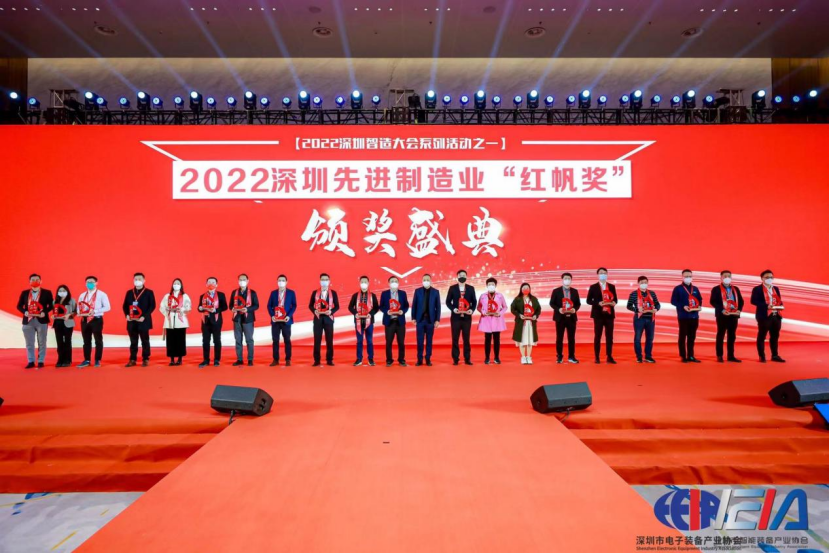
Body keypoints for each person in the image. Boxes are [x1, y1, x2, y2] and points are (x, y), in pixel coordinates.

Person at [18, 273, 53, 369]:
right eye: (32, 280)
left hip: (41, 320)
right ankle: (31, 361)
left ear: (41, 281)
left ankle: (41, 361)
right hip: (28, 320)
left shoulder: (47, 292)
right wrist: (24, 312)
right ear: (29, 282)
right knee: (29, 342)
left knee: (42, 341)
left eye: (37, 280)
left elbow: (51, 305)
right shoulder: (25, 293)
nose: (35, 281)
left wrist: (45, 312)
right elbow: (19, 306)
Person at [122, 272, 156, 367]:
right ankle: (132, 359)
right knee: (133, 341)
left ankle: (145, 359)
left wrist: (144, 316)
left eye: (140, 279)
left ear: (144, 280)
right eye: (136, 279)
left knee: (145, 341)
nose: (137, 281)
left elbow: (152, 306)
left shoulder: (149, 292)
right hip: (131, 321)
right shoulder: (129, 292)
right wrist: (126, 315)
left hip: (143, 320)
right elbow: (125, 306)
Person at [751, 270, 786, 363]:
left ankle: (775, 355)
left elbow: (779, 300)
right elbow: (753, 301)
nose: (769, 279)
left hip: (776, 315)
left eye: (771, 277)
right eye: (767, 277)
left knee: (775, 336)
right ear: (762, 278)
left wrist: (781, 306)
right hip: (764, 316)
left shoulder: (776, 288)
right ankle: (762, 356)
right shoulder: (757, 289)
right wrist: (766, 306)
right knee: (762, 336)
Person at [710, 270, 744, 363]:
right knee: (721, 335)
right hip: (722, 315)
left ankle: (731, 355)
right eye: (725, 276)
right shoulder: (716, 289)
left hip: (733, 315)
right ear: (721, 277)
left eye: (729, 276)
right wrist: (722, 310)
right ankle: (719, 355)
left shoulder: (735, 289)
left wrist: (739, 310)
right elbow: (713, 301)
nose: (727, 278)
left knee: (732, 336)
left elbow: (741, 301)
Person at [669, 269, 704, 363]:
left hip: (694, 316)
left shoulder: (695, 288)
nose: (688, 278)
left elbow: (700, 299)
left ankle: (691, 356)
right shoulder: (678, 288)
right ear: (682, 277)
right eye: (686, 276)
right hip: (683, 316)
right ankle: (683, 356)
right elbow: (673, 301)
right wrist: (683, 306)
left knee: (692, 337)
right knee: (682, 336)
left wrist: (699, 306)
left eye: (690, 276)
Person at [76, 276, 111, 368]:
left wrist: (95, 311)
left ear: (96, 283)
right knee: (86, 341)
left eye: (92, 282)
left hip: (96, 319)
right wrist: (79, 313)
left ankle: (97, 359)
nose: (90, 284)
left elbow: (107, 307)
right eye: (88, 282)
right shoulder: (82, 295)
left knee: (98, 340)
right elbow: (79, 306)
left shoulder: (102, 294)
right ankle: (87, 360)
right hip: (84, 319)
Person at [586, 268, 618, 364]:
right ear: (598, 275)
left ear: (607, 274)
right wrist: (598, 303)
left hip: (609, 314)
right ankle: (597, 357)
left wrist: (613, 303)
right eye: (601, 273)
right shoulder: (593, 287)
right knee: (598, 336)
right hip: (598, 315)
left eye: (604, 273)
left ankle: (609, 356)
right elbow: (588, 300)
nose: (603, 274)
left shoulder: (611, 286)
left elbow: (615, 299)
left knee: (609, 336)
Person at [445, 270, 477, 365]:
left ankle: (467, 358)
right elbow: (448, 301)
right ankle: (455, 359)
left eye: (464, 275)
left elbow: (474, 302)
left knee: (466, 338)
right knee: (455, 338)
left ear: (466, 277)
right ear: (457, 276)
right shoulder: (452, 288)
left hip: (467, 318)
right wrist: (453, 309)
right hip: (456, 317)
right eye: (460, 275)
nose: (462, 276)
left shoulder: (470, 288)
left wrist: (471, 310)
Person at [626, 276, 661, 363]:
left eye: (645, 282)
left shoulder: (652, 293)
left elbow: (657, 304)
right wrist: (637, 310)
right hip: (639, 319)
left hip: (650, 318)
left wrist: (656, 309)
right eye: (642, 283)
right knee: (637, 338)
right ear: (638, 283)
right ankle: (639, 357)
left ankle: (648, 356)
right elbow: (628, 306)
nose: (644, 284)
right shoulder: (633, 294)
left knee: (650, 338)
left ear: (647, 283)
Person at [550, 272, 581, 364]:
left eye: (569, 279)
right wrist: (558, 309)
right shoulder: (556, 291)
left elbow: (578, 304)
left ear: (571, 280)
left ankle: (571, 356)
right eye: (565, 278)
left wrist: (575, 309)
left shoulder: (575, 291)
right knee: (559, 338)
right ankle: (559, 356)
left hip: (571, 318)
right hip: (560, 318)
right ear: (562, 280)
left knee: (571, 338)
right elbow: (552, 303)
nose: (567, 280)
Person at [410, 273, 441, 366]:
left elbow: (438, 307)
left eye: (428, 280)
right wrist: (413, 317)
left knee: (429, 340)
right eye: (424, 280)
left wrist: (437, 320)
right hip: (420, 320)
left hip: (430, 320)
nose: (426, 281)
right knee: (419, 341)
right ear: (422, 281)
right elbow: (414, 305)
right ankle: (419, 359)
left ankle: (428, 359)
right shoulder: (417, 291)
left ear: (431, 281)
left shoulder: (436, 292)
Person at [309, 273, 339, 366]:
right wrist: (314, 311)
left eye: (326, 279)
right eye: (322, 279)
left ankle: (329, 360)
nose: (324, 281)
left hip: (328, 319)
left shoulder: (333, 293)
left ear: (329, 281)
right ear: (320, 281)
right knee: (317, 340)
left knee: (329, 340)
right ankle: (317, 360)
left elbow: (337, 306)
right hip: (318, 319)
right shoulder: (315, 292)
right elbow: (310, 305)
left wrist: (331, 311)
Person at [349, 276, 380, 366]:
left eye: (365, 282)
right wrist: (355, 313)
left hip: (369, 321)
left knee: (369, 340)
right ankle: (359, 359)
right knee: (359, 341)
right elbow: (350, 307)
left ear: (368, 283)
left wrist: (371, 314)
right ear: (360, 283)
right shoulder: (355, 295)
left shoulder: (372, 295)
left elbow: (376, 307)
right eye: (362, 282)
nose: (364, 283)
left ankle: (371, 359)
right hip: (358, 321)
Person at [159, 278, 191, 366]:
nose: (176, 285)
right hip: (170, 319)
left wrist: (181, 309)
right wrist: (167, 310)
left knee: (180, 340)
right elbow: (161, 306)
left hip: (180, 319)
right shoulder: (167, 296)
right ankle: (172, 359)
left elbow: (188, 306)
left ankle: (180, 358)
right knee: (170, 340)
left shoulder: (184, 296)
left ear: (181, 285)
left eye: (178, 283)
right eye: (175, 283)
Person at [197, 277, 227, 368]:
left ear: (216, 285)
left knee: (217, 340)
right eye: (209, 282)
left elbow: (225, 307)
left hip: (216, 320)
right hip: (205, 321)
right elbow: (199, 307)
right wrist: (200, 308)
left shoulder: (221, 295)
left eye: (213, 282)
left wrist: (216, 310)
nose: (211, 284)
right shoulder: (202, 296)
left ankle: (217, 360)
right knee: (205, 341)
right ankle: (206, 360)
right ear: (206, 284)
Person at [476, 277, 508, 364]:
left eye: (492, 284)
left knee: (497, 339)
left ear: (495, 285)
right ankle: (487, 358)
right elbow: (479, 307)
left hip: (497, 319)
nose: (491, 286)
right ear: (487, 285)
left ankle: (496, 357)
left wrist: (499, 313)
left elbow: (505, 307)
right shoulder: (483, 296)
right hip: (486, 320)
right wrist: (483, 312)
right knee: (487, 339)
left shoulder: (500, 296)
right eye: (489, 284)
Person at [267, 274, 297, 367]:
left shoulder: (291, 293)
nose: (281, 282)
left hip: (286, 320)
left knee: (287, 340)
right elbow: (269, 306)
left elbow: (294, 305)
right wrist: (272, 315)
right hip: (276, 320)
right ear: (277, 282)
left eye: (283, 280)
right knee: (275, 340)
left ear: (286, 282)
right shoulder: (273, 293)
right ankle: (275, 359)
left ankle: (288, 359)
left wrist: (289, 316)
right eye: (279, 280)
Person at [230, 274, 259, 366]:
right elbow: (230, 305)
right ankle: (239, 359)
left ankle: (250, 359)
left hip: (248, 319)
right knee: (238, 340)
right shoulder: (234, 292)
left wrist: (248, 309)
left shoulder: (252, 293)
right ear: (238, 281)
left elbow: (256, 305)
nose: (242, 281)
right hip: (237, 318)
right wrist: (232, 309)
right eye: (240, 279)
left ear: (247, 281)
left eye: (244, 279)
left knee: (249, 340)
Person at [379, 276, 408, 367]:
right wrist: (387, 311)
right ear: (389, 283)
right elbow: (381, 306)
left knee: (401, 342)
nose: (394, 283)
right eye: (392, 281)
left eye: (396, 281)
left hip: (400, 321)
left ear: (398, 283)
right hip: (389, 321)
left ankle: (401, 360)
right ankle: (389, 360)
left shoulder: (403, 293)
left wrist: (402, 311)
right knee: (388, 342)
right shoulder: (384, 294)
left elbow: (406, 306)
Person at [511, 282, 541, 364]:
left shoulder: (534, 299)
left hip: (530, 323)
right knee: (522, 340)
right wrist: (519, 315)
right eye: (524, 288)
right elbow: (512, 309)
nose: (525, 289)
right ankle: (523, 357)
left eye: (527, 288)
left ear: (530, 289)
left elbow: (538, 309)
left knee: (530, 340)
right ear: (521, 289)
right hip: (521, 323)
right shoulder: (517, 299)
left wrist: (535, 316)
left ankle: (529, 357)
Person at [52, 285, 76, 367]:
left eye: (64, 290)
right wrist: (53, 316)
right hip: (57, 323)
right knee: (59, 342)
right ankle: (60, 359)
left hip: (68, 322)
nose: (62, 292)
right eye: (60, 291)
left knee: (67, 341)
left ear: (67, 291)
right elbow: (54, 312)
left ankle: (67, 360)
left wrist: (69, 315)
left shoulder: (72, 300)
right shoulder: (55, 301)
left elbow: (75, 311)